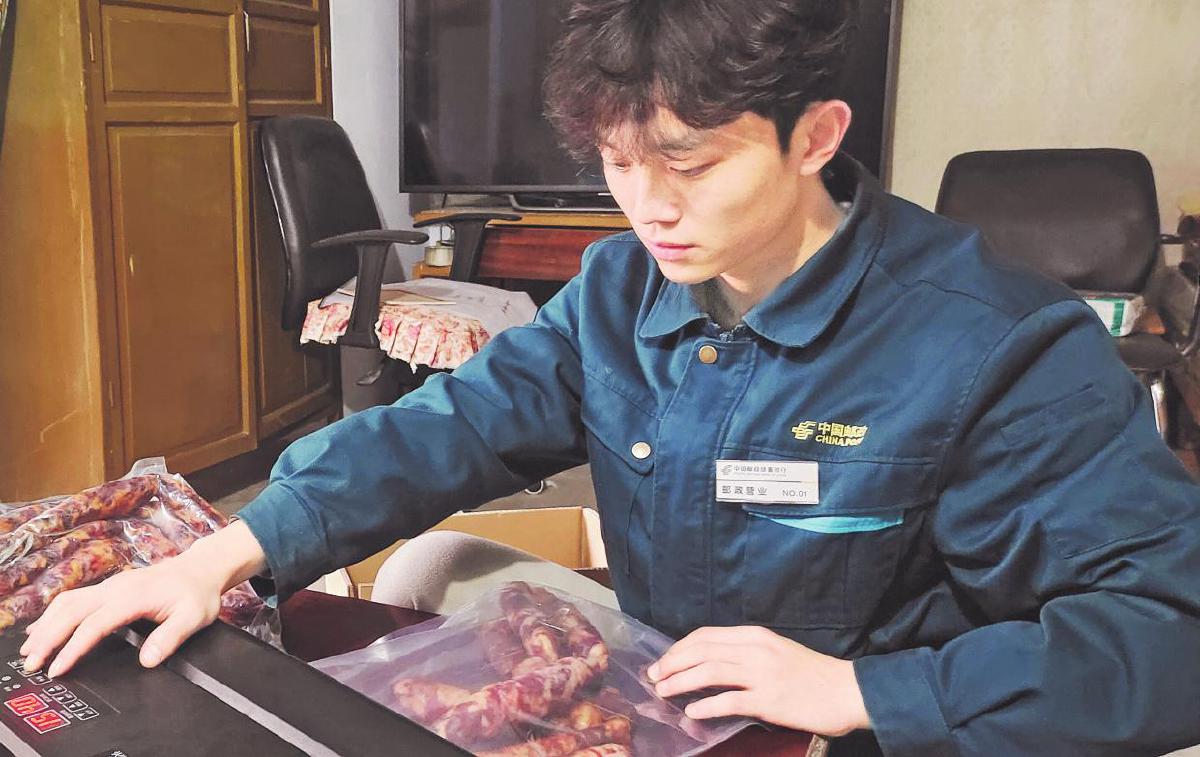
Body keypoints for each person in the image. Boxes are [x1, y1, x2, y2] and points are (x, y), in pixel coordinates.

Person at [21, 0, 1200, 754]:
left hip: (839, 723)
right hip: (657, 685)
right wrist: (221, 553)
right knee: (406, 582)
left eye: (690, 163)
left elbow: (1170, 634)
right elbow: (453, 424)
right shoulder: (621, 287)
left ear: (818, 135)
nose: (648, 207)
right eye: (620, 163)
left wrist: (864, 693)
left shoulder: (997, 347)